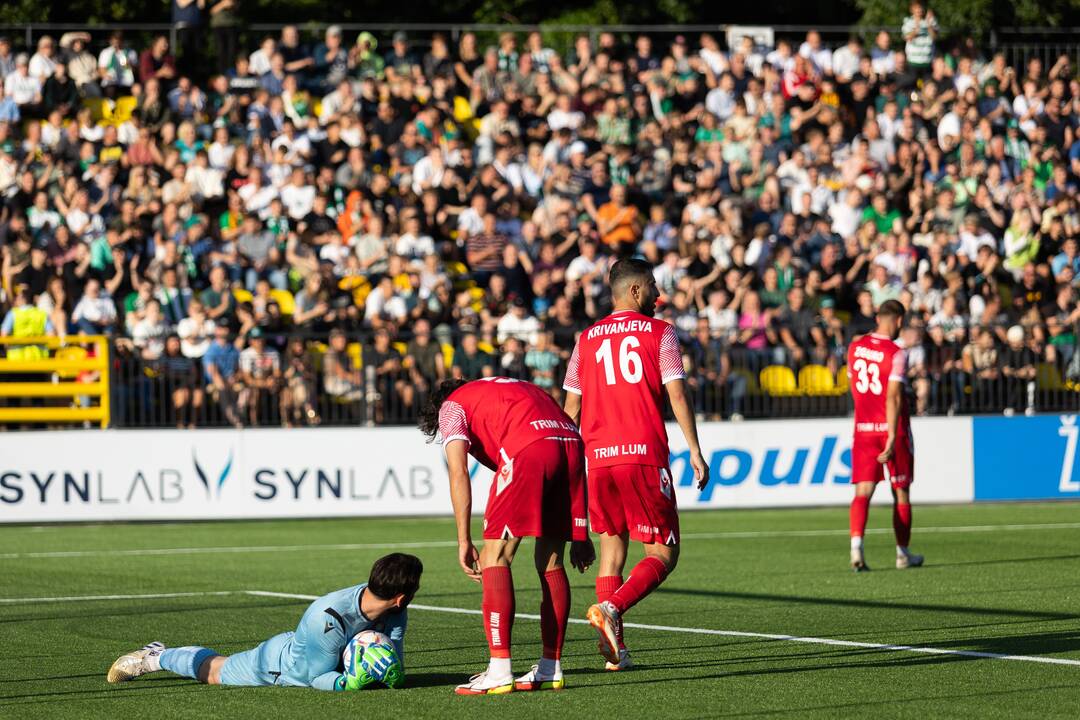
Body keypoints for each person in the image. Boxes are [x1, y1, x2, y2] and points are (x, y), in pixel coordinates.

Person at [562, 258, 709, 671]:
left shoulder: (586, 339)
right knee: (664, 552)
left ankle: (615, 653)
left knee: (612, 549)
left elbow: (570, 408)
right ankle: (612, 607)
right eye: (653, 287)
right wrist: (695, 449)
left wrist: (569, 461)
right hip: (642, 454)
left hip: (598, 459)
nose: (659, 295)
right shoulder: (661, 333)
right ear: (636, 291)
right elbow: (677, 394)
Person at [418, 377, 593, 695]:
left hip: (530, 447)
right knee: (551, 562)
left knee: (494, 556)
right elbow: (560, 425)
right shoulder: (509, 388)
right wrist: (582, 534)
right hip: (571, 444)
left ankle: (499, 670)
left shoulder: (452, 406)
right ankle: (550, 667)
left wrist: (463, 540)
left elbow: (458, 472)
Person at [106, 553, 421, 691]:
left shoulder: (396, 611)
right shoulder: (328, 617)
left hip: (305, 653)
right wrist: (348, 683)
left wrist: (389, 673)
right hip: (278, 667)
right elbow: (315, 678)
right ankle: (155, 657)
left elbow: (393, 659)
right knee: (212, 672)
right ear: (400, 596)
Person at [846, 299, 924, 572]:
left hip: (864, 429)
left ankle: (857, 547)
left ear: (878, 317)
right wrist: (891, 434)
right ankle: (902, 553)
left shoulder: (855, 348)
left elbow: (855, 388)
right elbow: (893, 396)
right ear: (900, 320)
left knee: (863, 491)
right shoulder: (896, 353)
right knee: (900, 491)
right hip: (894, 430)